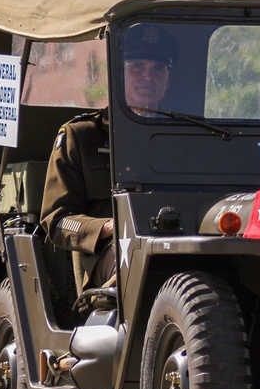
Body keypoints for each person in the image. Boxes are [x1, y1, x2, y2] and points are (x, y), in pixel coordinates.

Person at [41, 23, 177, 290]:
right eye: (137, 66)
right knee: (137, 254)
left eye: (158, 69)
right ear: (117, 74)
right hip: (109, 253)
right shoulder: (82, 136)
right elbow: (57, 219)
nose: (148, 77)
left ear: (168, 80)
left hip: (181, 244)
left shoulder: (185, 139)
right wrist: (108, 227)